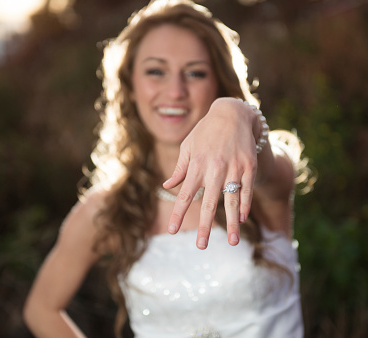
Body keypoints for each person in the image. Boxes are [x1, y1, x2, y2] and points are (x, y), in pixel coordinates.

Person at [23, 0, 312, 337]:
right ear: (130, 86)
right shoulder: (106, 209)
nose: (175, 91)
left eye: (195, 72)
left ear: (219, 82)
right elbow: (41, 309)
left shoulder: (259, 181)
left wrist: (236, 113)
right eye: (156, 71)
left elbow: (264, 161)